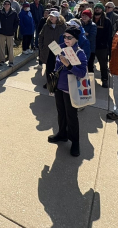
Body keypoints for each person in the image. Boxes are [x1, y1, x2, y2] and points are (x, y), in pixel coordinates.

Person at [47, 25, 88, 157]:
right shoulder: (60, 48)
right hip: (59, 87)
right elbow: (56, 65)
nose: (66, 39)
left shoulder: (79, 52)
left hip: (71, 90)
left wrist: (69, 66)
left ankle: (75, 142)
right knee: (61, 113)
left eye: (69, 37)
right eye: (64, 36)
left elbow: (82, 73)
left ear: (76, 38)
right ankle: (62, 134)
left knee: (72, 117)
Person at [38, 11, 66, 91]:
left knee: (57, 67)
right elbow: (41, 36)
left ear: (58, 17)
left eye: (53, 16)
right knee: (49, 68)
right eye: (50, 16)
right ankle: (49, 83)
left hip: (59, 51)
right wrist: (41, 47)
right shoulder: (46, 26)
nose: (51, 18)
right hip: (48, 50)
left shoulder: (63, 26)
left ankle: (56, 83)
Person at [92, 3, 112, 88]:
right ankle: (90, 79)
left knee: (103, 65)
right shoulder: (90, 19)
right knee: (89, 64)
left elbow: (109, 35)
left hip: (102, 47)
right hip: (91, 46)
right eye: (96, 8)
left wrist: (106, 45)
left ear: (102, 10)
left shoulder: (107, 21)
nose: (97, 9)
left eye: (99, 8)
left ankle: (104, 80)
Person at [0, 0, 19, 66]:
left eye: (8, 4)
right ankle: (2, 60)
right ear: (3, 5)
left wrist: (14, 30)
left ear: (10, 5)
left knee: (10, 48)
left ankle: (11, 61)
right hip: (2, 32)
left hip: (10, 33)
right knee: (2, 47)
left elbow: (17, 22)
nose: (6, 5)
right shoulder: (0, 12)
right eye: (5, 4)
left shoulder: (14, 13)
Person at [80, 9, 97, 75]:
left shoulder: (93, 25)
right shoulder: (80, 24)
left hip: (90, 48)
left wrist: (82, 34)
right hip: (81, 47)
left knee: (90, 66)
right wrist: (85, 34)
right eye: (83, 15)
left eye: (86, 16)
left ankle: (91, 83)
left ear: (90, 17)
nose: (84, 17)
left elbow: (91, 37)